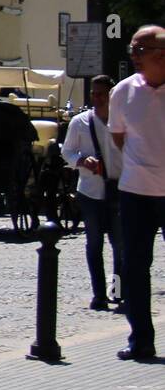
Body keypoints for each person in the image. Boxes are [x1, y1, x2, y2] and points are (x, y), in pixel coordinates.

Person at [108, 25, 165, 361]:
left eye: (138, 50)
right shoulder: (122, 92)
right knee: (134, 268)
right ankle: (141, 339)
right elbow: (119, 137)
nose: (133, 57)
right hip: (136, 192)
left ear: (161, 56)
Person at [61, 74, 123, 310]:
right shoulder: (80, 122)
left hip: (118, 189)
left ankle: (118, 291)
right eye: (93, 94)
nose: (96, 98)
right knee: (94, 243)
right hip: (89, 191)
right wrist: (81, 161)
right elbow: (67, 152)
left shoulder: (122, 121)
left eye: (101, 94)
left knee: (120, 245)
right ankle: (99, 295)